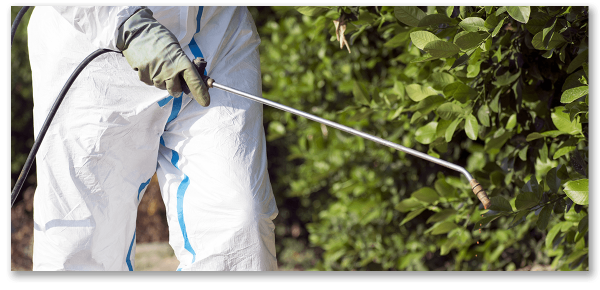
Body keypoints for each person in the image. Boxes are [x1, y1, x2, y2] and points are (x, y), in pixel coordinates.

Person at [27, 6, 278, 271]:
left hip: (217, 35)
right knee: (82, 241)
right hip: (94, 48)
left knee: (240, 221)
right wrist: (130, 25)